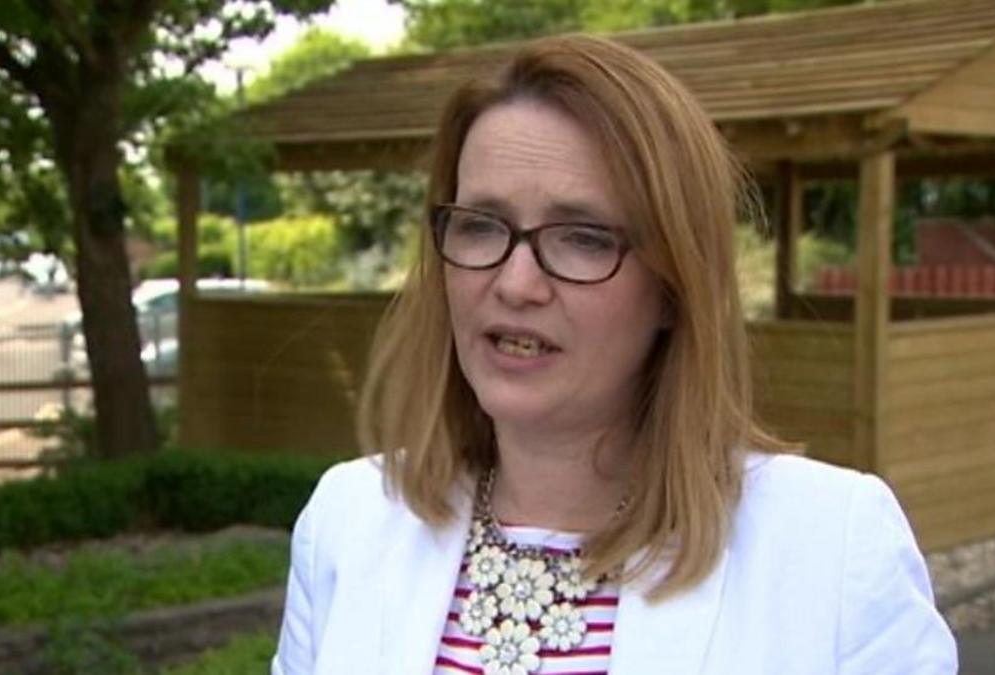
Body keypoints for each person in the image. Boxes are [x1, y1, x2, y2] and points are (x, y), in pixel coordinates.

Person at [271, 34, 957, 675]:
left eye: (583, 237)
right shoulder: (348, 520)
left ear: (675, 288)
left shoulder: (833, 547)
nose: (515, 282)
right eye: (481, 225)